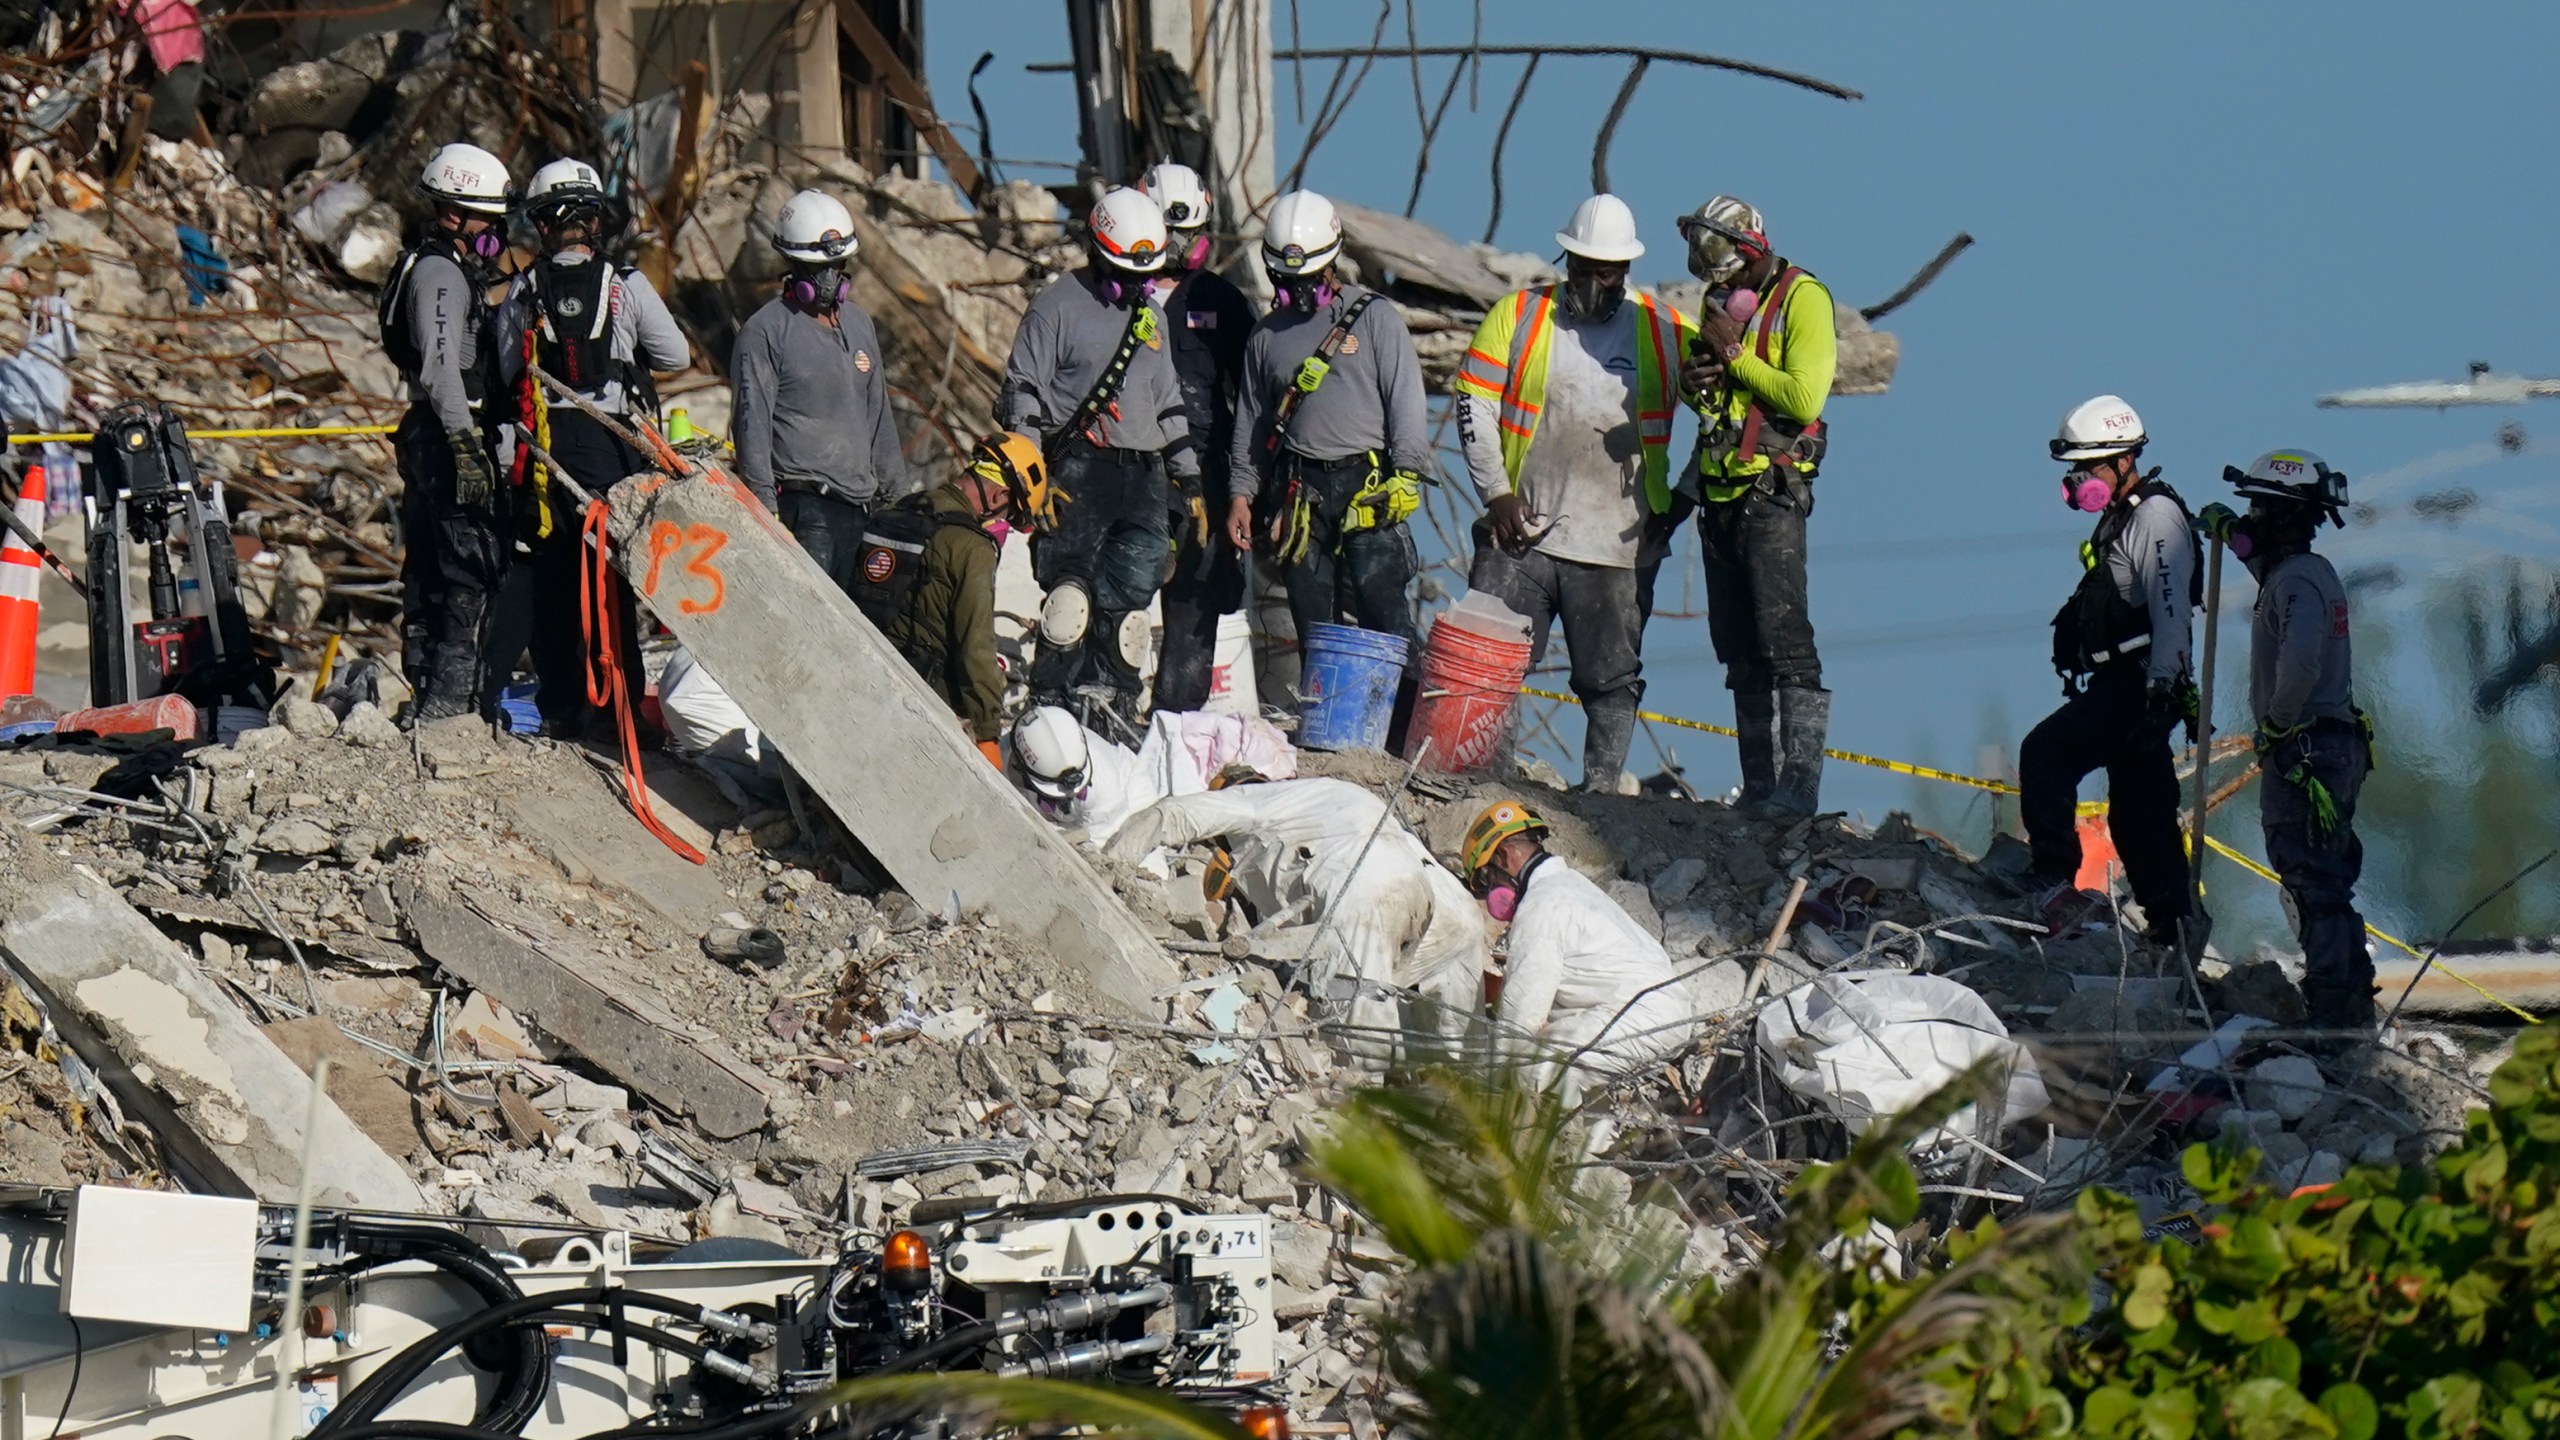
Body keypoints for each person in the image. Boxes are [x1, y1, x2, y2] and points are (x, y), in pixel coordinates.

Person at [1453, 194, 1693, 792]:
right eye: (1581, 267)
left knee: (1610, 676)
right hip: (1523, 533)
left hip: (1617, 542)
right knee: (1490, 656)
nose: (1590, 282)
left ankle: (1600, 792)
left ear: (1624, 272)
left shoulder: (1664, 332)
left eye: (1603, 272)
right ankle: (1479, 774)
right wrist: (1495, 493)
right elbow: (1473, 400)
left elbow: (1727, 418)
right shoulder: (1521, 314)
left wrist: (1685, 497)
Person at [487, 157, 690, 738]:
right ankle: (620, 713)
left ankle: (563, 707)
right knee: (610, 584)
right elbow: (674, 356)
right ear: (595, 219)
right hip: (612, 446)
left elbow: (507, 370)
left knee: (555, 581)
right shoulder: (627, 285)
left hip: (548, 450)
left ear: (543, 224)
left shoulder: (524, 291)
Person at [1103, 776, 1485, 1065]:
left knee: (1354, 1015)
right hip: (1442, 906)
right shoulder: (1319, 797)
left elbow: (1174, 812)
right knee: (1411, 1022)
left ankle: (1364, 1117)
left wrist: (1110, 866)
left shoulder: (1253, 803)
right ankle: (1428, 1090)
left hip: (1363, 890)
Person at [1002, 186, 1200, 726]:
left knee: (1130, 612)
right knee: (1069, 602)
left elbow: (1169, 403)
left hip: (1144, 477)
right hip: (1077, 474)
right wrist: (1032, 477)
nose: (1140, 287)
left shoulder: (1151, 319)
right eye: (1129, 275)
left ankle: (1113, 707)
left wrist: (1191, 481)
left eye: (1147, 277)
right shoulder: (1057, 306)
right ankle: (1051, 708)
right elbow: (1022, 390)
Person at [2200, 451, 2376, 1036]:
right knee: (2327, 879)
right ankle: (2349, 1001)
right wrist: (2230, 534)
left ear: (2280, 515)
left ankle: (2332, 1014)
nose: (2247, 519)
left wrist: (2276, 723)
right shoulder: (2304, 571)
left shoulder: (2297, 579)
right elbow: (2264, 567)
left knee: (2311, 880)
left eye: (2255, 509)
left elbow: (2299, 659)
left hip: (2306, 750)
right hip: (2331, 745)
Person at [1674, 196, 1837, 816]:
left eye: (1730, 274)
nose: (1724, 288)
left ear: (1750, 251)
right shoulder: (1717, 301)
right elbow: (1714, 397)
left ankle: (1799, 791)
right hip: (1719, 492)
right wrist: (1697, 384)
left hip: (1771, 491)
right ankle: (1760, 789)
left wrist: (1738, 357)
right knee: (1738, 648)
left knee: (1785, 640)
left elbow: (1802, 396)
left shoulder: (1804, 299)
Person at [2021, 395, 2203, 946]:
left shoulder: (2156, 518)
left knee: (2046, 753)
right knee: (2140, 812)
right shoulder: (2121, 518)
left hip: (2142, 683)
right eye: (2075, 470)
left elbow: (2171, 613)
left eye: (2088, 468)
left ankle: (2052, 881)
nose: (2079, 481)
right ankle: (2174, 925)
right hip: (2125, 683)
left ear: (2123, 461)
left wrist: (2160, 690)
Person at [1227, 190, 1431, 674]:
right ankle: (1333, 730)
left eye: (1309, 278)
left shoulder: (1375, 318)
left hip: (1368, 484)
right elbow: (1251, 426)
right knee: (1314, 620)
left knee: (1381, 605)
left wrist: (1406, 475)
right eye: (1287, 279)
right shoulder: (1265, 338)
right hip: (1302, 494)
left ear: (1331, 265)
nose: (1298, 290)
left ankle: (1404, 722)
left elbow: (1405, 400)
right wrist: (1241, 495)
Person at [383, 142, 512, 725]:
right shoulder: (440, 275)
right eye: (489, 219)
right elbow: (441, 368)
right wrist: (466, 447)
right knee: (465, 566)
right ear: (455, 214)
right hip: (445, 434)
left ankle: (432, 694)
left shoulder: (437, 266)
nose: (497, 234)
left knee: (433, 564)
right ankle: (446, 702)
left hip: (433, 433)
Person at [730, 189, 908, 594]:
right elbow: (750, 428)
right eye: (817, 268)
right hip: (806, 510)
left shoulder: (860, 325)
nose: (829, 278)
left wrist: (899, 501)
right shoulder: (766, 332)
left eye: (836, 265)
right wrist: (765, 513)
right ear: (793, 265)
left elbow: (879, 417)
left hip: (861, 511)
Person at [1460, 800, 1694, 1101]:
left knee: (1535, 1068)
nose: (1492, 891)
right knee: (1562, 1058)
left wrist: (1476, 1076)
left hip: (1640, 1017)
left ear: (1503, 856)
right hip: (1656, 1011)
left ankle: (1555, 1145)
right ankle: (1596, 1142)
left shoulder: (1541, 906)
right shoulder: (1573, 886)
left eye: (1489, 879)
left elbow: (1520, 1020)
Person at [851, 433, 1052, 766]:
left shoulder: (898, 510)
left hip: (861, 669)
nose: (1004, 525)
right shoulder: (973, 547)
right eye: (1009, 515)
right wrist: (988, 734)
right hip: (920, 695)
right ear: (1001, 494)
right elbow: (976, 645)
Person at [1139, 163, 1257, 713]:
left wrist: (1245, 491)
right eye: (1171, 232)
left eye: (1189, 233)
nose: (1180, 246)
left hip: (1202, 478)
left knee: (1194, 607)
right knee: (1118, 597)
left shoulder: (1224, 304)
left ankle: (1177, 724)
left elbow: (1253, 404)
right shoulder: (1112, 296)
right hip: (1131, 468)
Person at [1009, 702, 1297, 845]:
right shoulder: (1022, 753)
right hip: (1076, 810)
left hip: (1129, 801)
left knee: (1135, 856)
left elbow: (1092, 839)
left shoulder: (1103, 784)